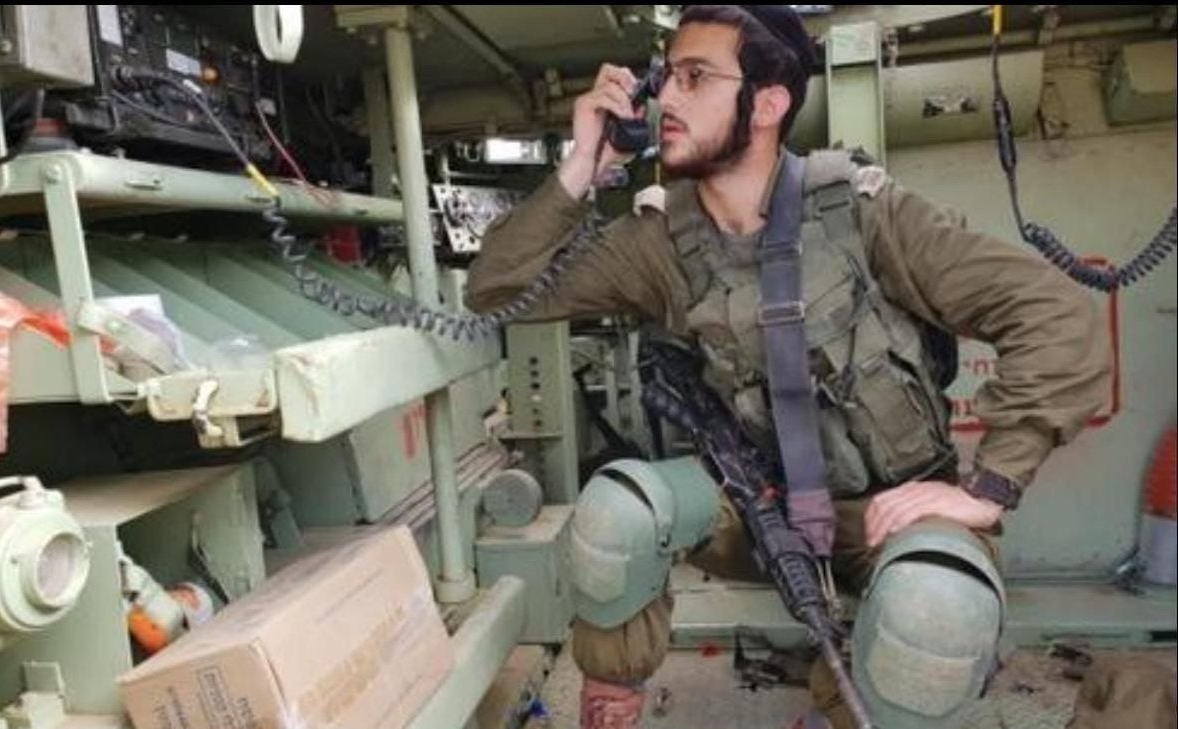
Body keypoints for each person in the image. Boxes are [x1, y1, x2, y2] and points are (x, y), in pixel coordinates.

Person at [466, 6, 1112, 728]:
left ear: (768, 103)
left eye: (695, 77)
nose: (667, 96)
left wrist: (989, 486)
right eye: (666, 77)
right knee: (616, 511)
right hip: (752, 502)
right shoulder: (659, 240)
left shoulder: (864, 214)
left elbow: (1056, 314)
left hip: (888, 510)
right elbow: (495, 290)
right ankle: (611, 698)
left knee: (936, 607)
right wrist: (582, 164)